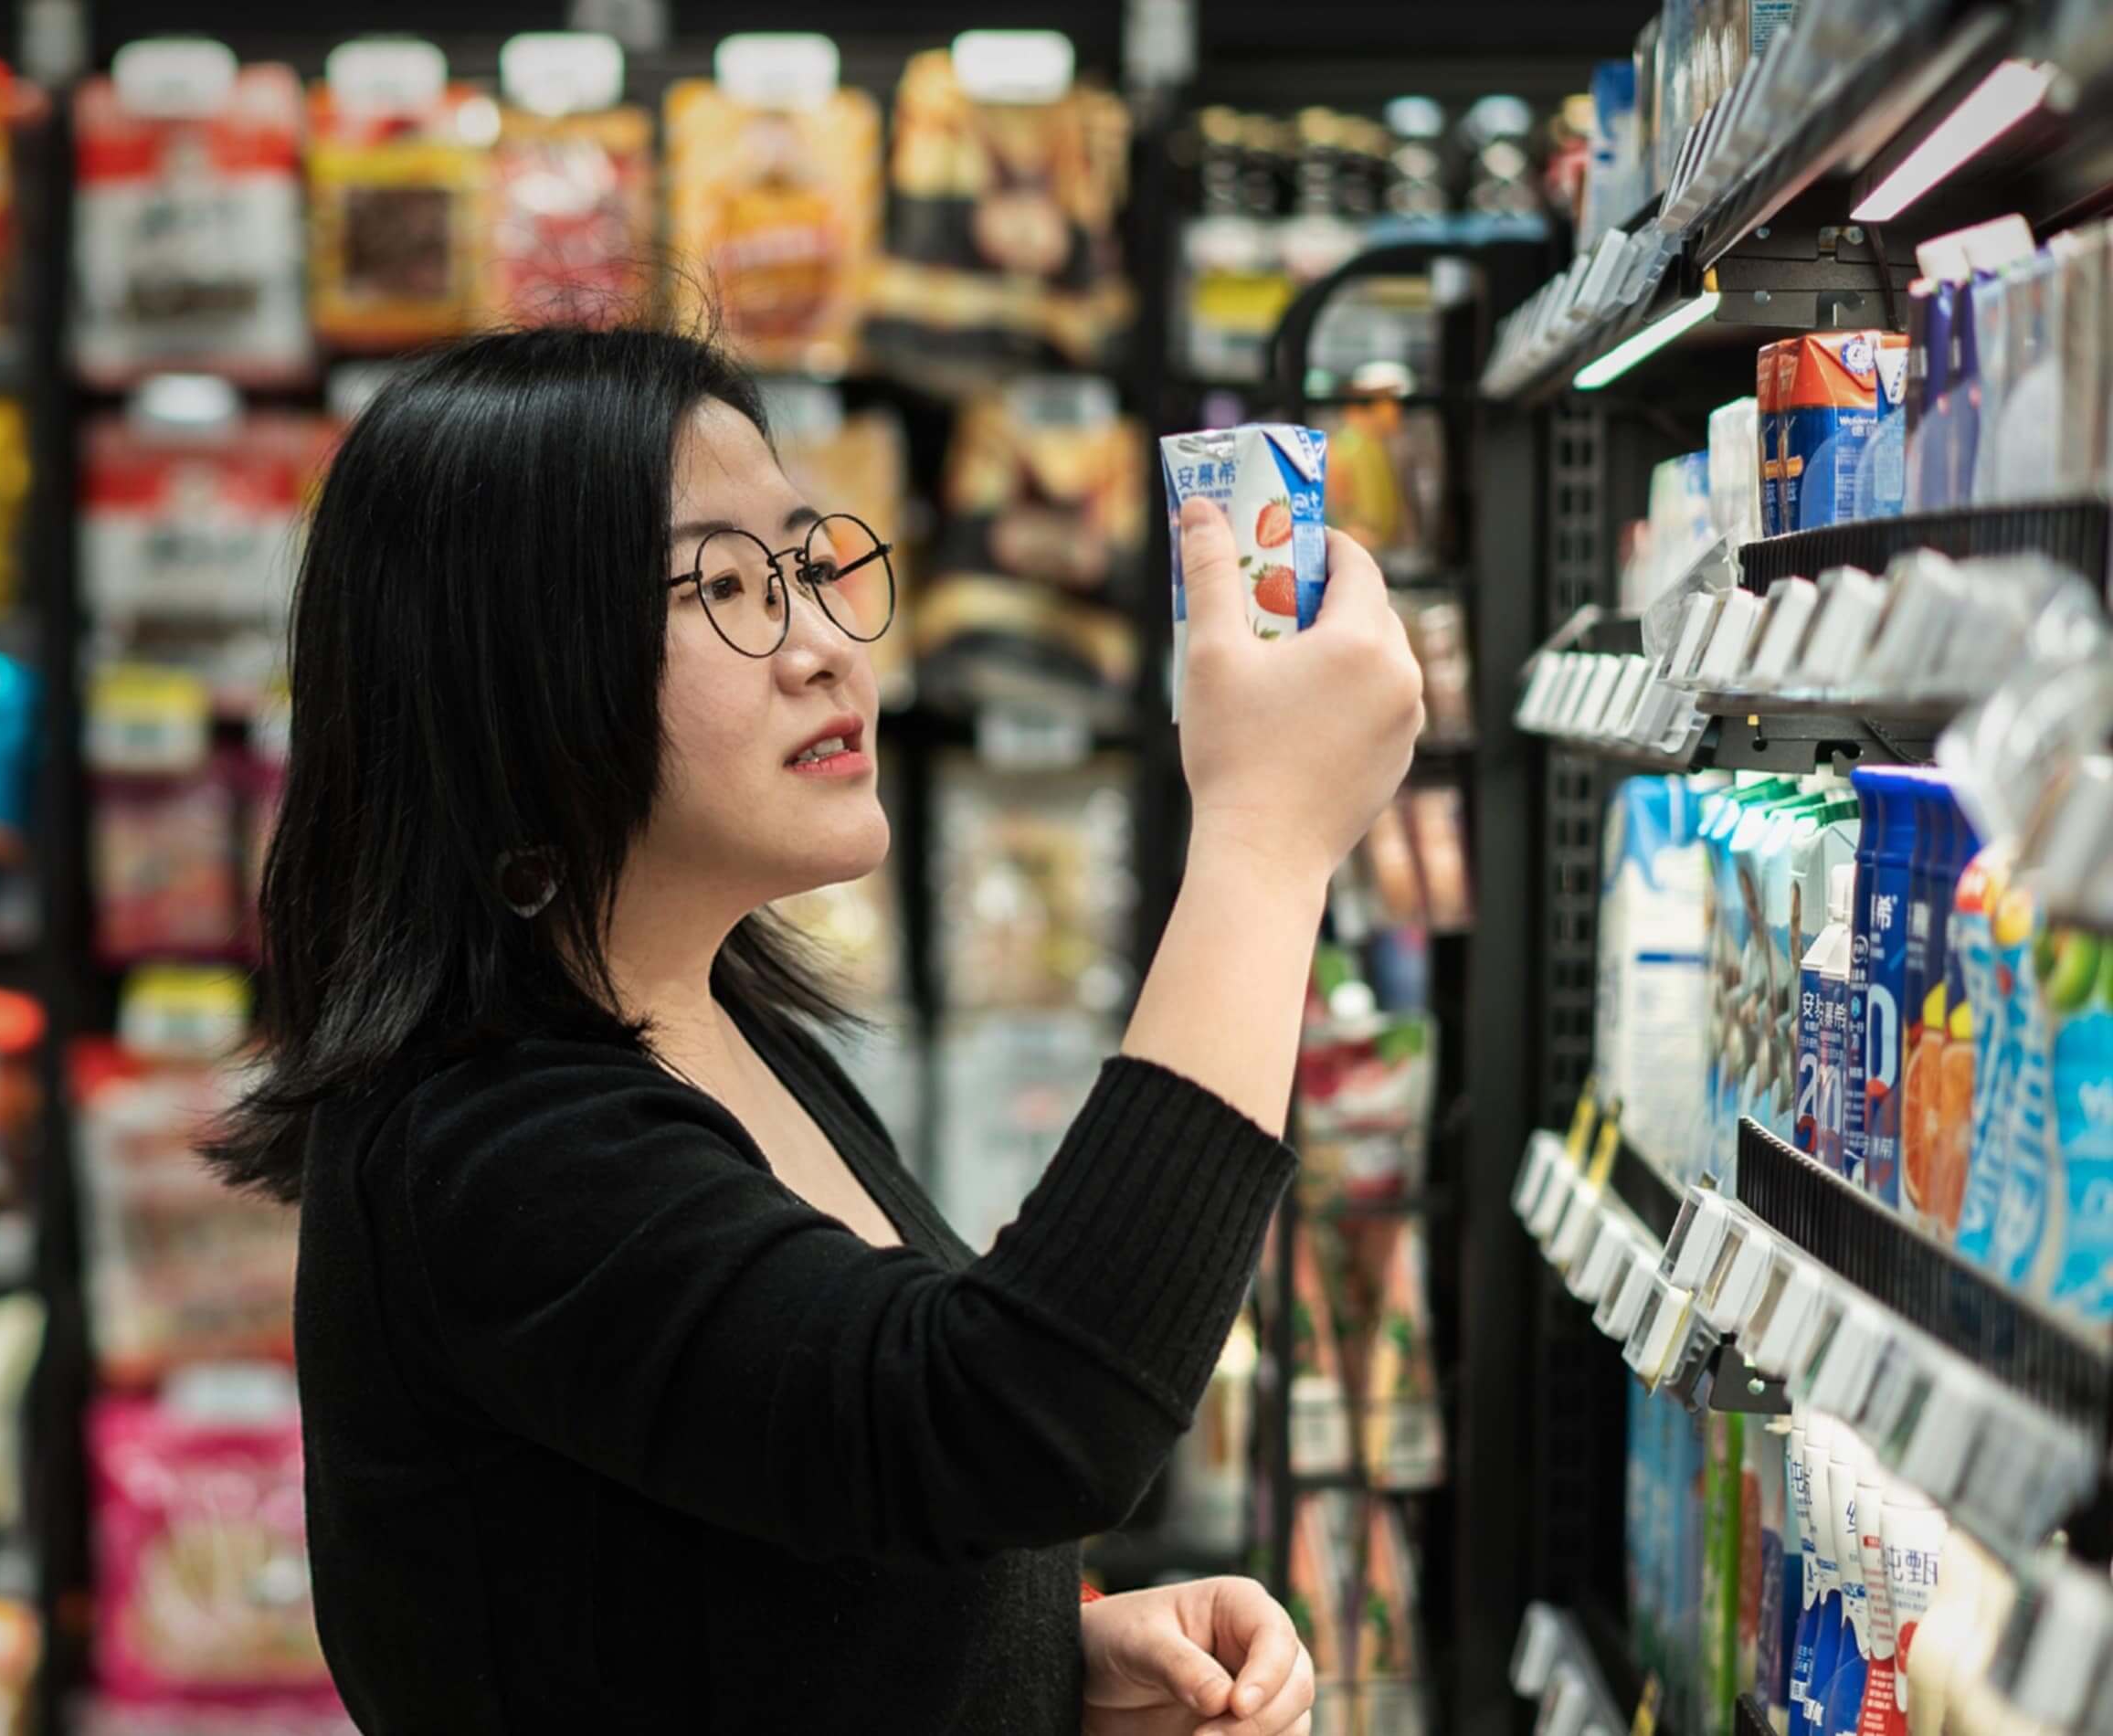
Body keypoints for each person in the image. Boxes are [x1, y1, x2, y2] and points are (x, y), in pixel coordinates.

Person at [205, 325, 1424, 1735]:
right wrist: (1267, 846)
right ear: (512, 673)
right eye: (726, 585)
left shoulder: (718, 1023)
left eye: (807, 565)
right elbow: (1009, 1424)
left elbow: (777, 1534)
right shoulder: (492, 1148)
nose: (831, 645)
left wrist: (1042, 1667)